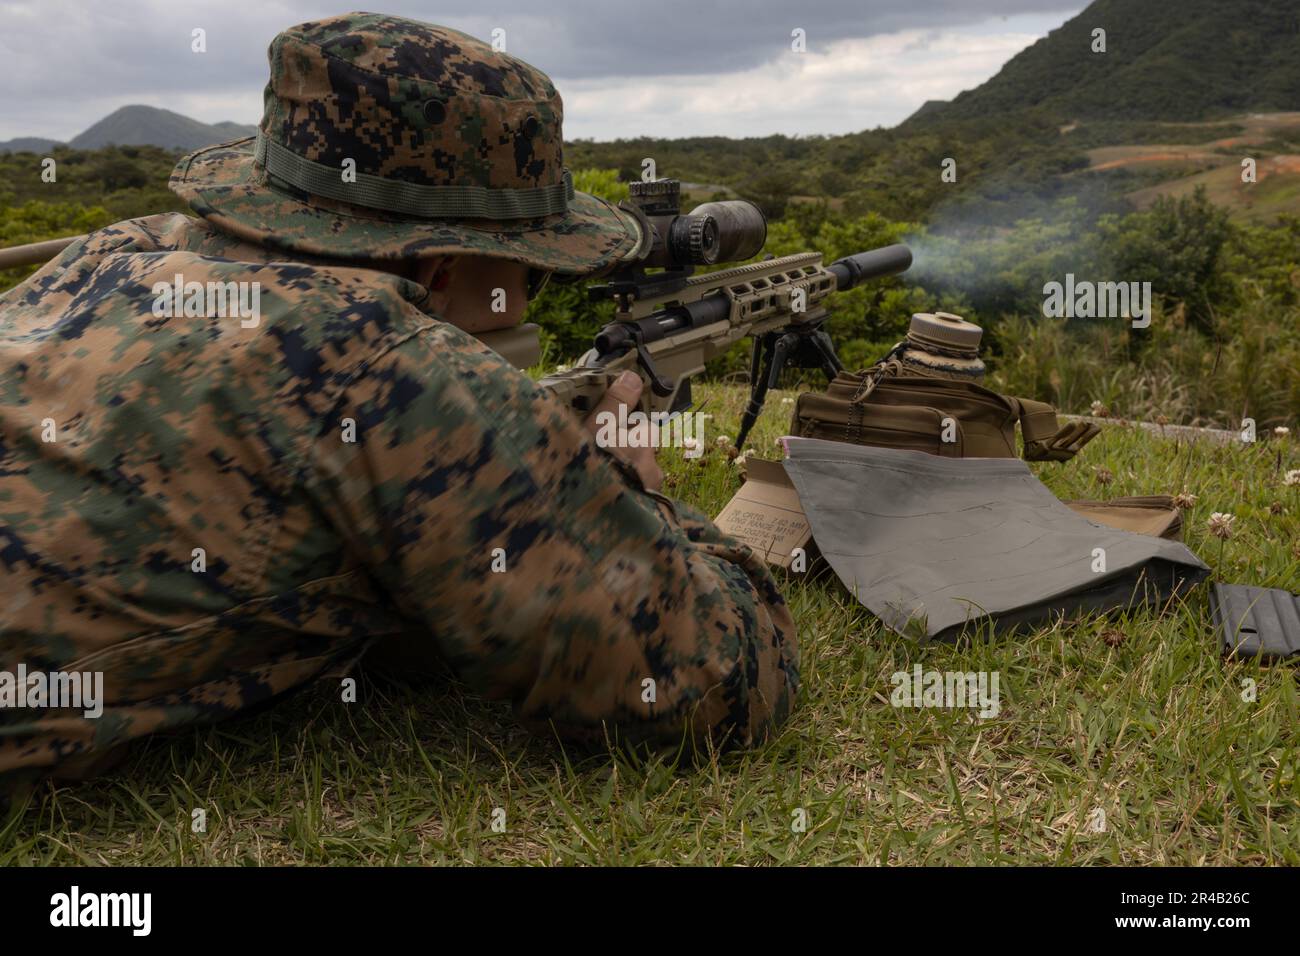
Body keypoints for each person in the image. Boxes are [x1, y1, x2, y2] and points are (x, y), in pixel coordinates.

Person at [0, 12, 797, 789]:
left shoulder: (106, 256)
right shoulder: (377, 355)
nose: (532, 293)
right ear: (445, 270)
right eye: (532, 268)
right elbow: (705, 682)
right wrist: (639, 500)